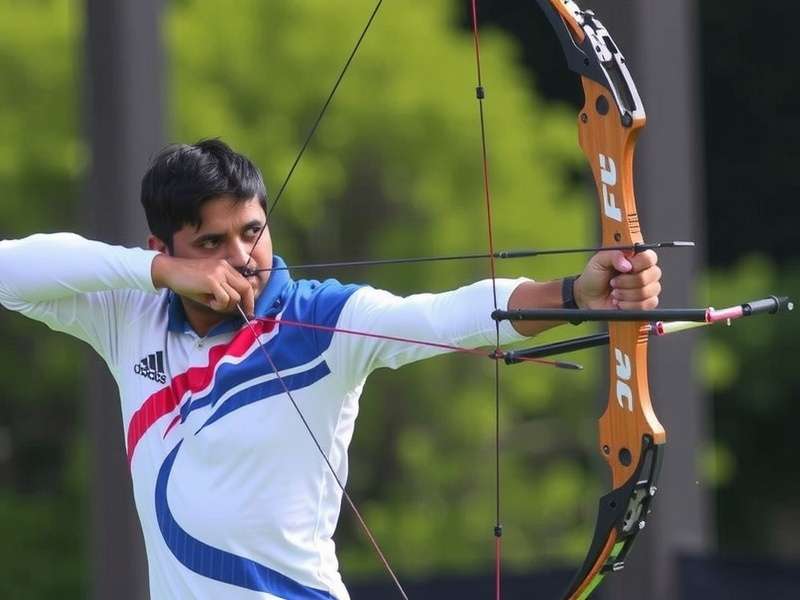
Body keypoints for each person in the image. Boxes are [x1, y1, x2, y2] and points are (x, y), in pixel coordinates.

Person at [0, 139, 661, 599]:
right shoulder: (130, 317)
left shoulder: (322, 322)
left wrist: (576, 294)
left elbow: (443, 318)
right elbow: (12, 267)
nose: (242, 256)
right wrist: (159, 275)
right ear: (163, 249)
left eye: (253, 232)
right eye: (211, 243)